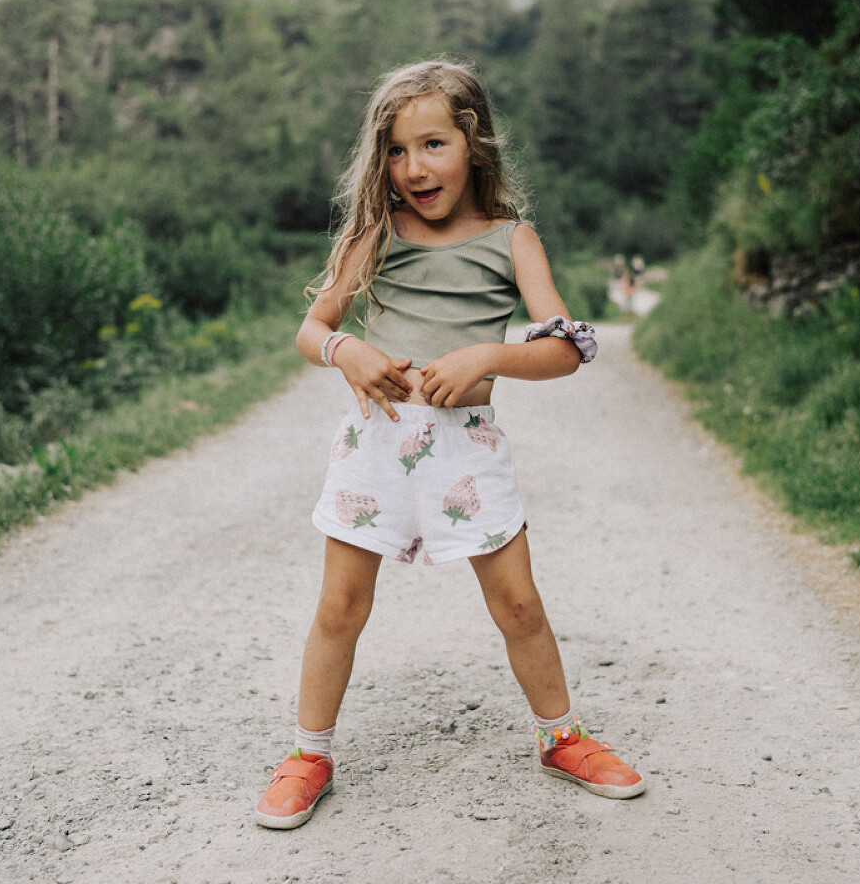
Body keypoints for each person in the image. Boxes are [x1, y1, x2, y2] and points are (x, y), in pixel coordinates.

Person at [256, 60, 644, 831]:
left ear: (474, 143)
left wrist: (489, 356)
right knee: (341, 605)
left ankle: (561, 738)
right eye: (396, 151)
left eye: (433, 144)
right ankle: (308, 755)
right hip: (374, 445)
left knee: (519, 604)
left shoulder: (512, 240)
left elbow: (566, 348)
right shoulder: (375, 234)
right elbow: (313, 328)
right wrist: (345, 351)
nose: (413, 168)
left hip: (468, 451)